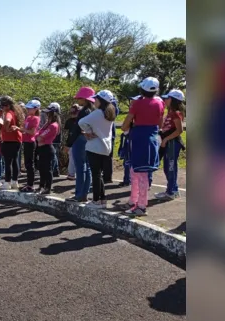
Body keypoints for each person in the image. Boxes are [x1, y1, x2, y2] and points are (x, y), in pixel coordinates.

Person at [121, 77, 165, 216]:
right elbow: (160, 123)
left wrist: (127, 127)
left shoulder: (137, 103)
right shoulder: (160, 103)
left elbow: (125, 124)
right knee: (139, 172)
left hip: (139, 139)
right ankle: (134, 201)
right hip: (151, 139)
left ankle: (140, 205)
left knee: (139, 173)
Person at [79, 90, 116, 209]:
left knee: (96, 175)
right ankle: (103, 199)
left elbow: (81, 122)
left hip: (95, 146)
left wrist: (88, 132)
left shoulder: (97, 113)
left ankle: (96, 200)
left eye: (96, 99)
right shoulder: (110, 112)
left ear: (101, 100)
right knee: (99, 175)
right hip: (106, 148)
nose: (94, 101)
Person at [65, 87, 96, 202]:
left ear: (84, 98)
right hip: (90, 140)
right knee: (87, 167)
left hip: (80, 139)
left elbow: (77, 129)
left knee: (80, 167)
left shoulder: (83, 111)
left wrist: (69, 143)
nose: (78, 100)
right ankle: (84, 194)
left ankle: (78, 195)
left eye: (80, 98)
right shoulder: (94, 110)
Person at [156, 89, 186, 200]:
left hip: (173, 143)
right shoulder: (170, 112)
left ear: (173, 100)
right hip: (169, 142)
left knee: (171, 167)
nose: (165, 100)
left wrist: (166, 139)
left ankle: (171, 191)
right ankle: (173, 189)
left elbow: (179, 130)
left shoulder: (176, 114)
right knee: (167, 167)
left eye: (167, 98)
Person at [0, 96, 25, 190]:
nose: (1, 107)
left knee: (7, 162)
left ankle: (7, 182)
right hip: (17, 139)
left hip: (9, 140)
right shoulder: (16, 113)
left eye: (3, 105)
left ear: (8, 105)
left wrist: (6, 128)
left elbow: (8, 120)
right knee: (14, 161)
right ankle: (15, 181)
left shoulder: (8, 113)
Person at [35, 103, 61, 194]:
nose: (46, 114)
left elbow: (40, 137)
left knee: (47, 169)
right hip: (42, 148)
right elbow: (37, 134)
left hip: (47, 148)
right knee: (41, 168)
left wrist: (39, 137)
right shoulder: (47, 123)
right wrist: (39, 137)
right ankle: (41, 186)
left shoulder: (53, 125)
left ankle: (47, 188)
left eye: (48, 113)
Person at [20, 99, 41, 192]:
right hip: (25, 141)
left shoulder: (36, 118)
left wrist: (22, 129)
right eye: (27, 108)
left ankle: (30, 185)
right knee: (27, 164)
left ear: (36, 109)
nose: (28, 110)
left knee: (30, 164)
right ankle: (29, 183)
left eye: (30, 108)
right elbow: (24, 129)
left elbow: (32, 132)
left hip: (30, 142)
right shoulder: (28, 117)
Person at [62, 104, 80, 180]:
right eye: (72, 112)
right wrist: (67, 144)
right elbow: (68, 133)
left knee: (77, 158)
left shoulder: (80, 120)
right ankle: (71, 173)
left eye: (75, 112)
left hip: (79, 141)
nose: (73, 114)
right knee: (71, 157)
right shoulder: (69, 121)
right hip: (71, 142)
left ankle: (74, 173)